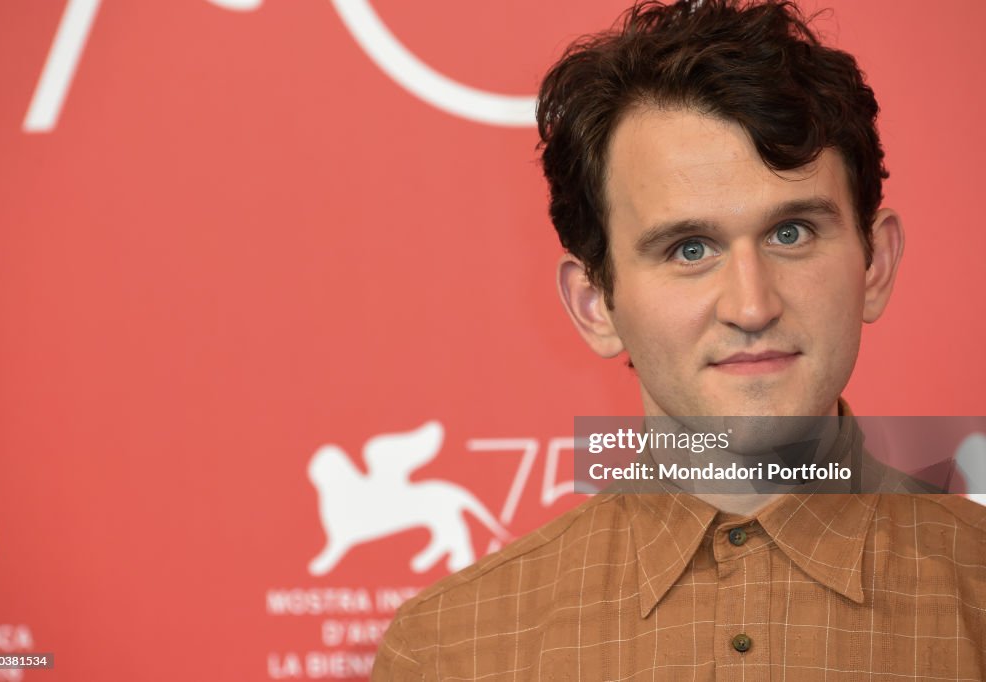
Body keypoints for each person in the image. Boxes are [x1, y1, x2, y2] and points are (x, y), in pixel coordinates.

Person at [372, 1, 986, 678]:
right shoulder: (451, 649)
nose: (752, 305)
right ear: (596, 304)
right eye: (689, 248)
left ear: (875, 264)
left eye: (792, 233)